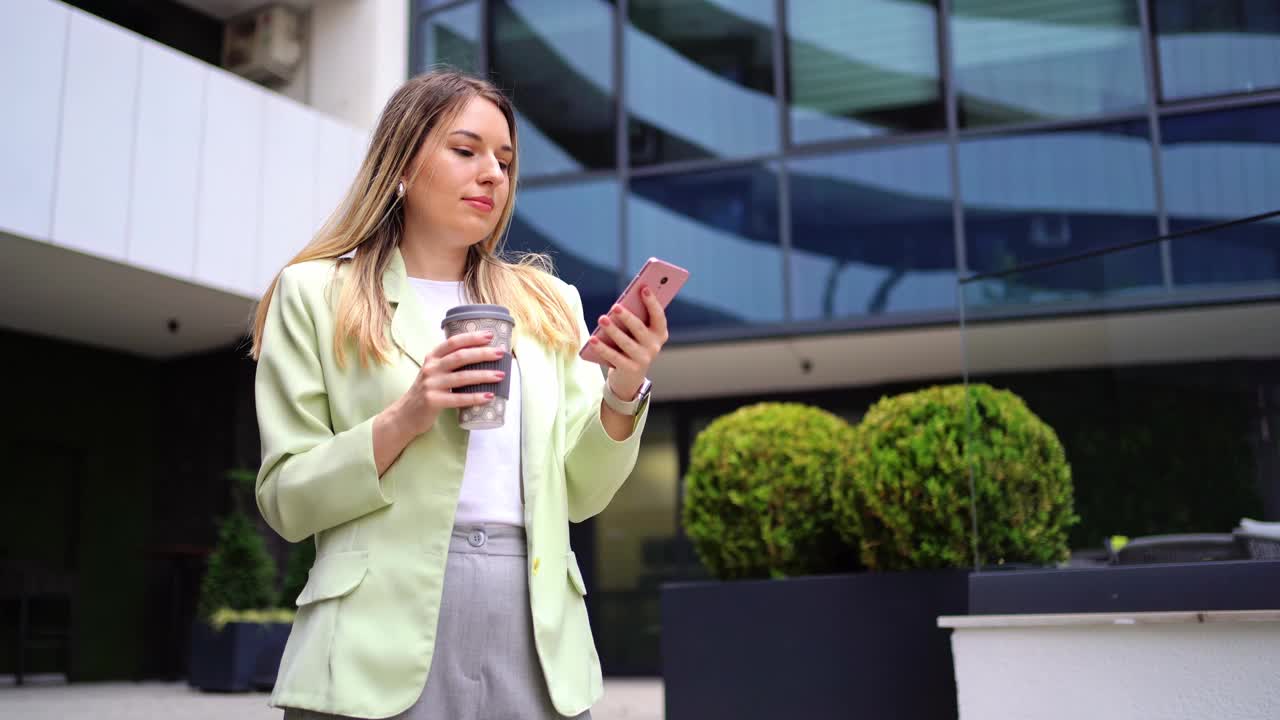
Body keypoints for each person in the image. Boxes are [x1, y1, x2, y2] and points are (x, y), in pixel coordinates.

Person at [249, 70, 666, 720]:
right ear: (401, 165)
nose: (493, 175)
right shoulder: (314, 294)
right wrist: (407, 415)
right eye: (466, 151)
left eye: (504, 160)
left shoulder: (551, 304)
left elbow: (583, 493)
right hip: (372, 635)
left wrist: (622, 390)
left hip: (533, 632)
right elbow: (286, 500)